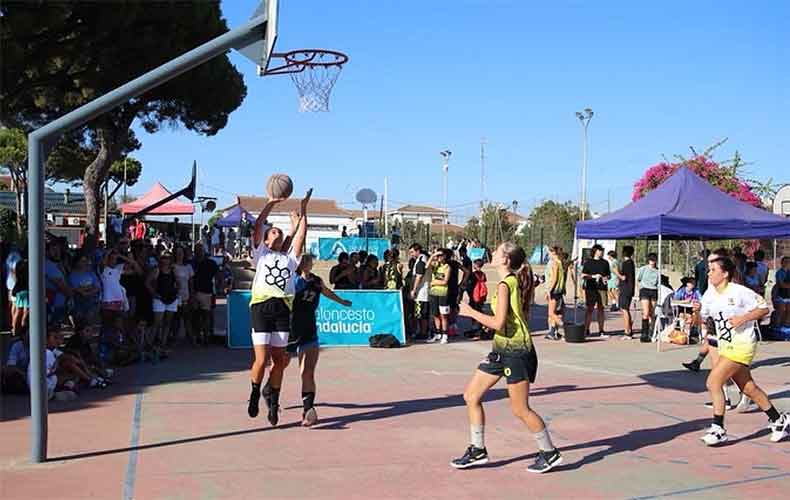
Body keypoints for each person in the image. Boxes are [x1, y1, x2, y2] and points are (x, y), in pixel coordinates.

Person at [454, 242, 562, 473]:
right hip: (500, 349)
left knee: (520, 409)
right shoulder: (508, 282)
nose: (492, 252)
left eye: (497, 251)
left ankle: (549, 452)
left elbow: (497, 323)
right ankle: (477, 449)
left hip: (517, 351)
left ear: (505, 260)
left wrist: (470, 311)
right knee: (471, 396)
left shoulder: (506, 284)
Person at [695, 257, 789, 445]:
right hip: (724, 344)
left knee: (713, 382)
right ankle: (778, 420)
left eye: (713, 269)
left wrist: (743, 318)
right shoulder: (709, 295)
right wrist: (696, 313)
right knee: (748, 387)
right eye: (709, 269)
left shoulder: (739, 292)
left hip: (742, 344)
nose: (709, 273)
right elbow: (702, 320)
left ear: (725, 273)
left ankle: (718, 428)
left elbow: (763, 308)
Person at [247, 189, 311, 426]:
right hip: (261, 307)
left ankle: (273, 399)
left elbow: (301, 236)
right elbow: (259, 224)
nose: (276, 232)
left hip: (282, 309)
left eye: (280, 232)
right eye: (273, 231)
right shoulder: (260, 253)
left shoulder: (289, 259)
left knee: (280, 360)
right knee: (261, 360)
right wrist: (271, 202)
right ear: (265, 239)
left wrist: (304, 210)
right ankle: (254, 393)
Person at [285, 254, 352, 426]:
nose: (309, 264)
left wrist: (341, 301)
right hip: (290, 330)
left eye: (310, 261)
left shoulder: (316, 281)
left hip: (309, 329)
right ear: (299, 263)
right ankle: (272, 395)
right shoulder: (291, 280)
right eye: (306, 261)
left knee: (308, 372)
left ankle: (308, 410)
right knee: (280, 366)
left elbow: (327, 291)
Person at [147, 252, 180, 352]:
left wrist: (177, 290)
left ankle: (163, 344)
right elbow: (147, 283)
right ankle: (149, 344)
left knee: (167, 322)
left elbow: (178, 283)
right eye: (164, 258)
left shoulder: (173, 270)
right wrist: (154, 293)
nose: (166, 260)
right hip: (160, 299)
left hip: (172, 298)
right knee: (157, 322)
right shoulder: (157, 270)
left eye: (168, 258)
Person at [581, 244, 610, 338]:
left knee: (601, 309)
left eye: (602, 250)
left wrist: (606, 278)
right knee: (589, 309)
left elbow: (608, 275)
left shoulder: (605, 262)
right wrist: (593, 276)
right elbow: (583, 275)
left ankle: (601, 330)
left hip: (602, 288)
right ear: (595, 251)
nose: (601, 252)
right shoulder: (588, 262)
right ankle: (586, 329)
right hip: (591, 288)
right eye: (599, 250)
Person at [192, 244, 219, 344]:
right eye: (197, 250)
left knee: (207, 315)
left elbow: (218, 274)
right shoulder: (192, 263)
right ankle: (198, 335)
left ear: (204, 251)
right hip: (194, 292)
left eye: (200, 250)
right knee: (196, 316)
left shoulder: (211, 263)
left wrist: (220, 286)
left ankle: (207, 336)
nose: (199, 252)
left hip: (208, 292)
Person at [68, 255, 101, 328]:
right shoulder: (73, 275)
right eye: (82, 261)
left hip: (92, 304)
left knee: (90, 325)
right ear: (77, 263)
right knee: (80, 326)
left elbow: (98, 287)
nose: (85, 263)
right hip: (79, 305)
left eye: (86, 261)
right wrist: (91, 288)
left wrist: (85, 289)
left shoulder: (91, 273)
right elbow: (81, 292)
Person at [428, 249, 451, 344]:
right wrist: (433, 255)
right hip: (433, 293)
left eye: (441, 255)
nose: (439, 257)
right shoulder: (435, 265)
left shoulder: (447, 267)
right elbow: (427, 266)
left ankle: (445, 334)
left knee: (443, 315)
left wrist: (434, 282)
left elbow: (445, 281)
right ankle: (438, 334)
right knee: (435, 314)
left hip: (443, 294)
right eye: (438, 255)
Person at [172, 246, 194, 344]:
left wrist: (192, 295)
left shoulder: (188, 267)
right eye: (177, 252)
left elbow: (191, 282)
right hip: (174, 296)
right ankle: (173, 339)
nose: (179, 254)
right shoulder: (172, 266)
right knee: (175, 319)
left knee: (187, 318)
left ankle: (191, 339)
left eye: (181, 252)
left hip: (185, 295)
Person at [408, 244, 431, 340]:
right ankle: (422, 331)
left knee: (422, 314)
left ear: (418, 251)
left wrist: (414, 289)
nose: (411, 254)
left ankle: (423, 332)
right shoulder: (420, 259)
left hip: (422, 293)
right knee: (421, 313)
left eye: (412, 252)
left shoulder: (421, 260)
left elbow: (419, 276)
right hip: (422, 292)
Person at [636, 253, 660, 342]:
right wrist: (639, 289)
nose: (652, 262)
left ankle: (651, 332)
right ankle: (644, 334)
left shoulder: (658, 271)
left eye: (654, 260)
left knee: (652, 313)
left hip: (653, 291)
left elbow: (658, 282)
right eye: (651, 260)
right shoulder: (643, 269)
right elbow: (638, 280)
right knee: (645, 312)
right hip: (644, 290)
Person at [614, 245, 636, 339]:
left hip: (626, 289)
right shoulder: (630, 263)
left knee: (625, 309)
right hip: (628, 289)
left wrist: (616, 272)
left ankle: (627, 331)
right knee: (624, 309)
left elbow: (623, 277)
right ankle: (628, 329)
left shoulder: (627, 263)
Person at [545, 246, 566, 341]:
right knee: (557, 312)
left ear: (554, 253)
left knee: (551, 313)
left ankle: (564, 326)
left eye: (549, 253)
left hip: (555, 291)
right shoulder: (561, 263)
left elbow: (554, 278)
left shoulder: (554, 263)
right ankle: (552, 332)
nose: (549, 255)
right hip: (560, 291)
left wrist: (549, 290)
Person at [11, 258, 29, 337]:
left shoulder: (19, 264)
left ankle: (15, 331)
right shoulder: (27, 266)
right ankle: (22, 331)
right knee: (26, 312)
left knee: (18, 311)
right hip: (25, 290)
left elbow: (14, 274)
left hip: (18, 289)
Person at [775, 256, 790, 330]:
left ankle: (786, 326)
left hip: (788, 295)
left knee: (788, 311)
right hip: (780, 295)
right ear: (782, 263)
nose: (787, 263)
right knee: (781, 311)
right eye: (786, 261)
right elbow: (781, 284)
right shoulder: (779, 272)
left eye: (789, 262)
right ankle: (778, 327)